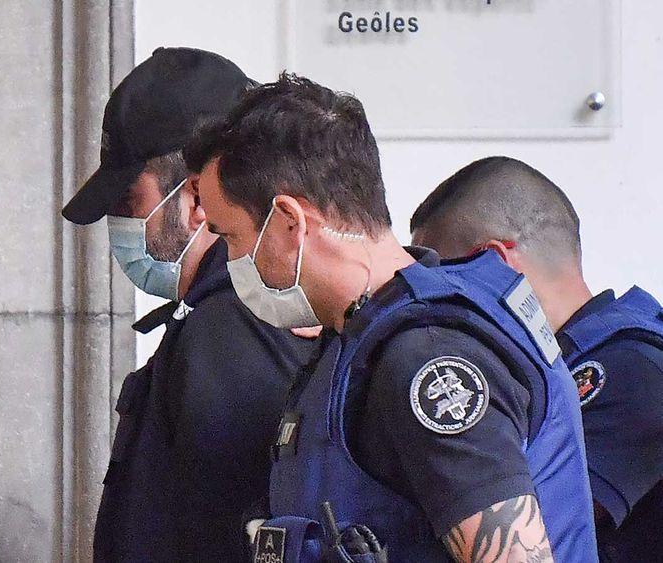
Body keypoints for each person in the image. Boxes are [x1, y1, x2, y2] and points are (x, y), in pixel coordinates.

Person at [184, 74, 597, 562]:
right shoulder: (358, 338)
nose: (233, 262)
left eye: (231, 237)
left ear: (290, 222)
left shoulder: (427, 357)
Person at [62, 48, 315, 562]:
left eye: (127, 202)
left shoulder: (230, 328)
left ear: (197, 198)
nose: (121, 225)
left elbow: (226, 535)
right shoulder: (231, 314)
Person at [410, 156, 663, 562]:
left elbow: (522, 535)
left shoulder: (632, 371)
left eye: (447, 280)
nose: (443, 302)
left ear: (495, 261)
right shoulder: (562, 365)